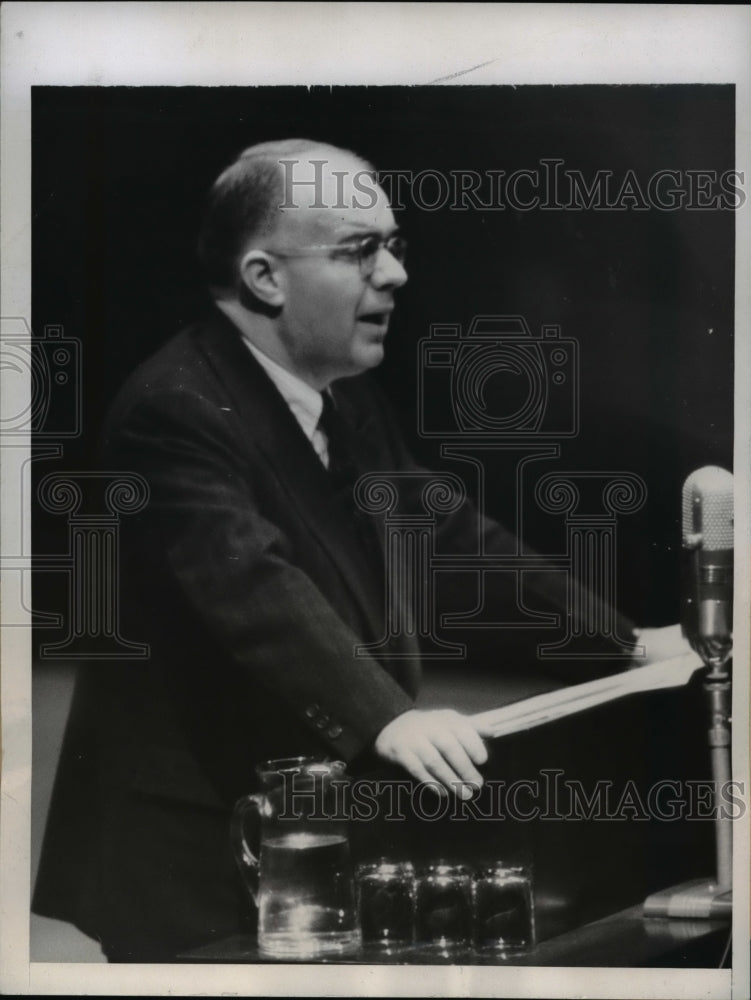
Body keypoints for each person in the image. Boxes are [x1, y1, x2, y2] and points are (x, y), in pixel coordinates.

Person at [33, 139, 688, 961]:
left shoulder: (341, 396)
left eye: (394, 244)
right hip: (190, 859)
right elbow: (253, 589)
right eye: (359, 250)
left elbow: (449, 538)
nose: (395, 274)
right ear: (264, 277)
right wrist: (388, 719)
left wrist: (624, 642)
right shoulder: (174, 408)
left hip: (300, 829)